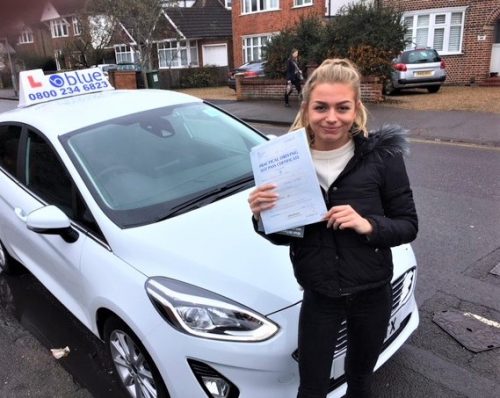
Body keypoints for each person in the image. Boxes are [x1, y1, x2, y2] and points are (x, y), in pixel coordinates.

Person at [248, 58, 418, 398]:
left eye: (343, 107)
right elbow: (285, 236)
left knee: (359, 380)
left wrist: (367, 224)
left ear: (356, 108)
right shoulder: (285, 162)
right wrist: (262, 217)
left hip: (372, 291)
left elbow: (408, 225)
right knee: (311, 386)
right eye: (321, 107)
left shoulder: (382, 158)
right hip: (320, 294)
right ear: (307, 108)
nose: (331, 118)